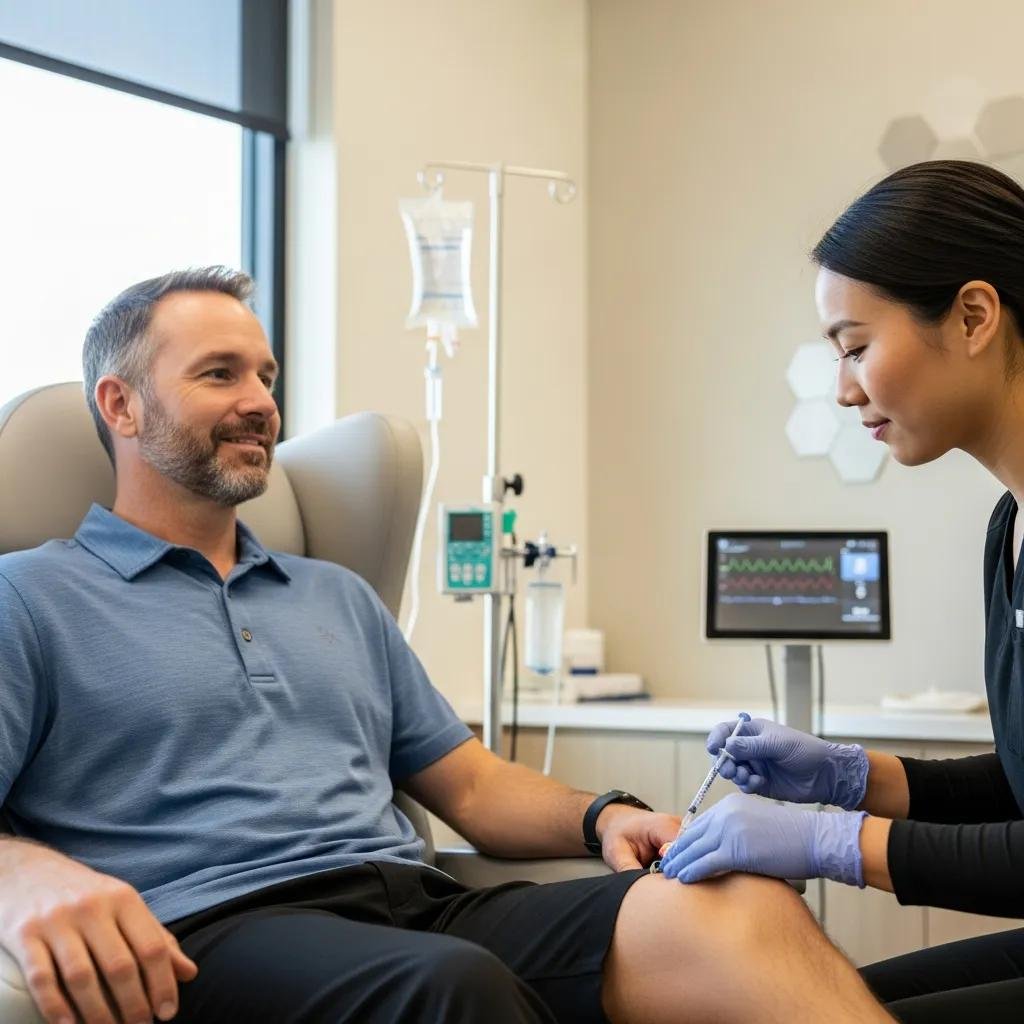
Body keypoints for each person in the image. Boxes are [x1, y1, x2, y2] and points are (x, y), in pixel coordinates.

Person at [0, 267, 894, 1024]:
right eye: (220, 374)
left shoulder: (334, 596)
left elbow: (467, 782)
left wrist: (607, 815)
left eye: (267, 376)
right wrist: (25, 875)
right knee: (455, 988)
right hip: (214, 930)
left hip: (416, 900)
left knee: (738, 905)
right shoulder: (30, 598)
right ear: (120, 404)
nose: (261, 404)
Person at [661, 159, 1024, 1022]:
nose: (843, 387)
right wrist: (855, 779)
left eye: (857, 346)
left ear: (973, 316)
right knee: (824, 998)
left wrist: (838, 841)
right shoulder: (1009, 531)